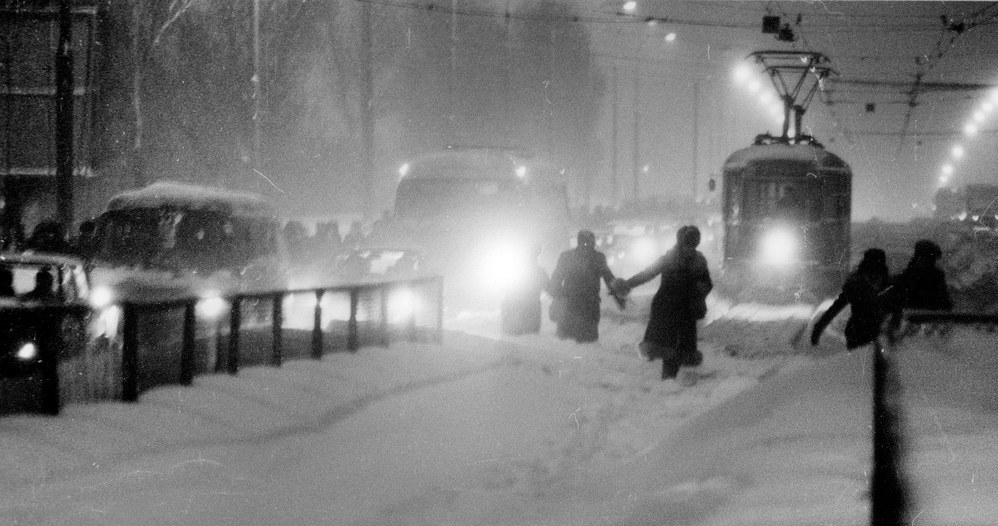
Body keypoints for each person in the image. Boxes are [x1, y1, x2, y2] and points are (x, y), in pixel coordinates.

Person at [616, 225, 713, 380]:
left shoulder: (698, 262)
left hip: (684, 310)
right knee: (668, 346)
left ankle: (674, 381)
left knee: (682, 349)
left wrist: (697, 295)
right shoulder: (670, 259)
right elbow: (647, 274)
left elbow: (707, 284)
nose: (690, 248)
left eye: (692, 244)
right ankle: (669, 381)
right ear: (681, 243)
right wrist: (627, 284)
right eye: (687, 244)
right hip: (666, 308)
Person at [548, 230, 620, 343]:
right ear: (593, 242)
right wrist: (619, 295)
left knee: (567, 342)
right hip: (590, 304)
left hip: (570, 303)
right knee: (588, 341)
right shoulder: (598, 258)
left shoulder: (566, 257)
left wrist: (556, 296)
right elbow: (609, 278)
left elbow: (556, 278)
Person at [811, 248, 890, 350]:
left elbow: (834, 309)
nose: (874, 276)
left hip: (863, 334)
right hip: (864, 336)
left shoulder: (856, 285)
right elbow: (834, 309)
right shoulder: (860, 286)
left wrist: (818, 330)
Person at [886, 239, 952, 311]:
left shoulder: (937, 276)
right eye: (928, 259)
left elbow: (944, 302)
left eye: (931, 260)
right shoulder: (905, 277)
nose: (930, 263)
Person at [501, 244, 549, 336]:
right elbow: (549, 287)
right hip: (532, 312)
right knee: (530, 337)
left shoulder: (515, 270)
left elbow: (504, 287)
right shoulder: (539, 271)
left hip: (514, 316)